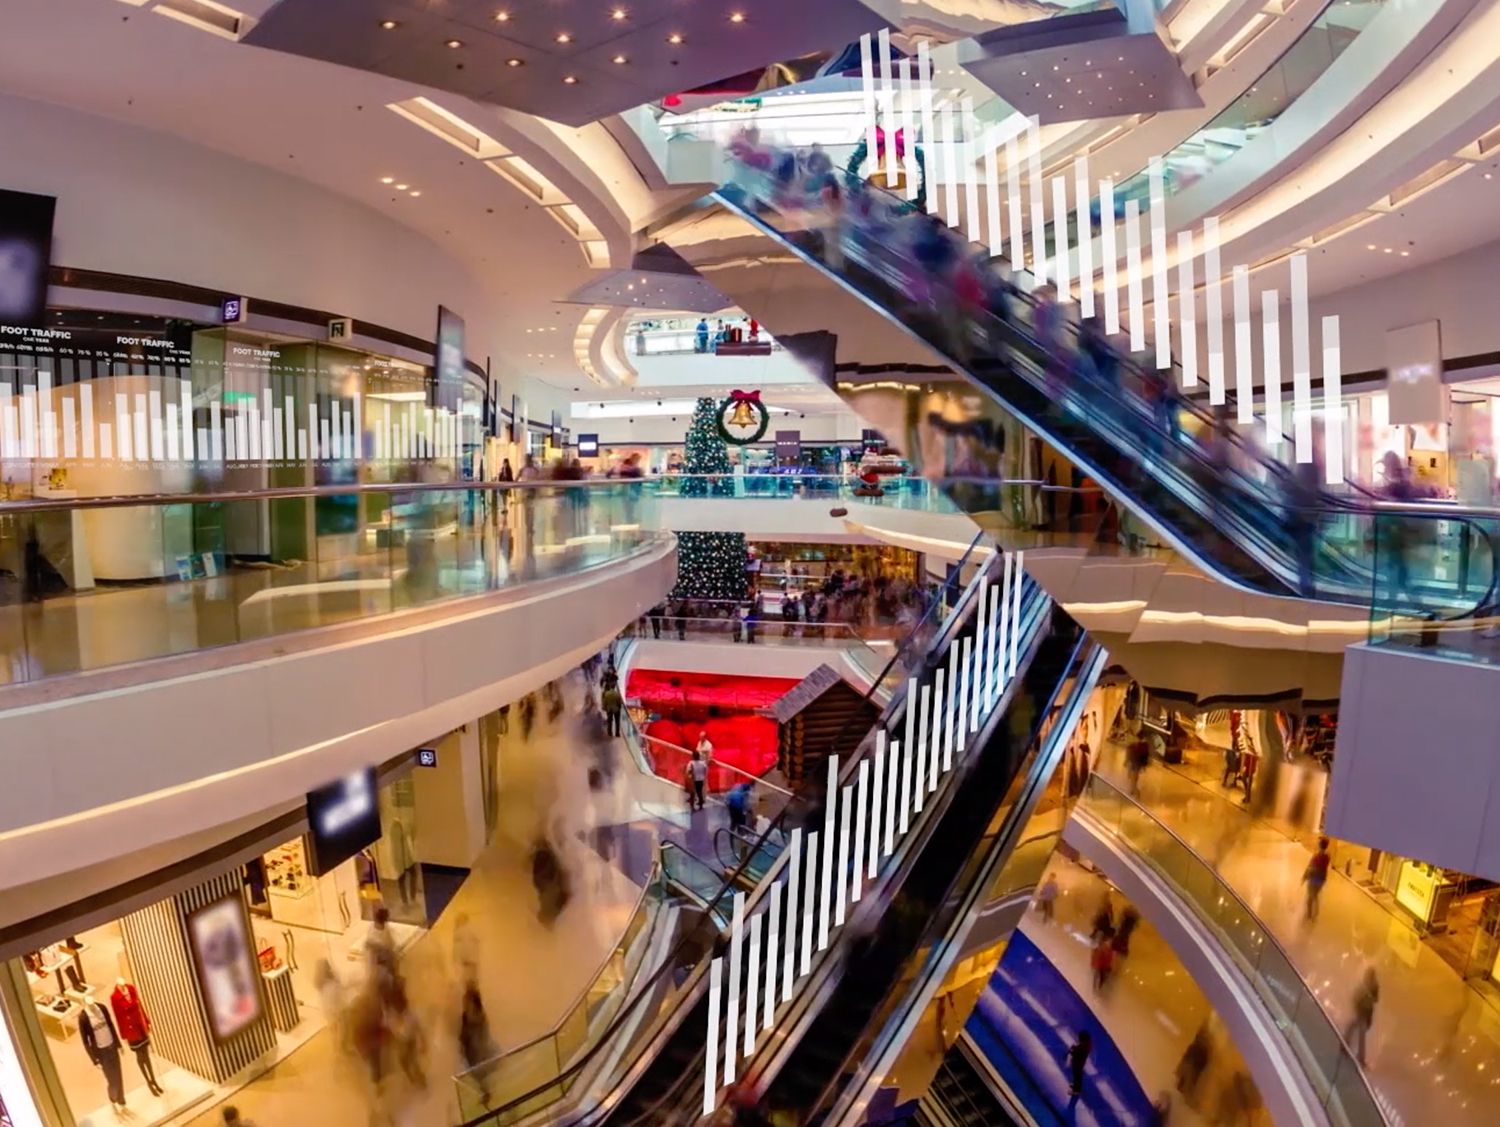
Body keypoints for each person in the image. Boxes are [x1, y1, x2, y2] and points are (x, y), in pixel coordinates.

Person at [458, 980, 497, 1099]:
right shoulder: (465, 1016)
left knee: (481, 1072)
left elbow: (484, 1031)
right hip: (470, 1049)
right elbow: (463, 1032)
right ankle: (484, 1091)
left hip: (478, 1049)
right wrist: (462, 1045)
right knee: (475, 1073)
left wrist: (481, 1043)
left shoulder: (480, 1016)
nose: (465, 1004)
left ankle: (486, 1092)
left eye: (468, 1002)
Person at [1345, 966, 1379, 1064]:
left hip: (1360, 1011)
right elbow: (1376, 1000)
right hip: (1364, 1012)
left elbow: (1356, 997)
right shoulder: (1373, 986)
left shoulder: (1364, 985)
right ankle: (1360, 1057)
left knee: (1352, 1027)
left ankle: (1345, 1045)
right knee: (1360, 1034)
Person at [1175, 1023, 1213, 1103]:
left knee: (1186, 1078)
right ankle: (1184, 1091)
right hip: (1192, 1064)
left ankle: (1183, 1089)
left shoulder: (1198, 1046)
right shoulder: (1202, 1047)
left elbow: (1190, 1054)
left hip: (1191, 1063)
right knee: (1188, 1080)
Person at [1303, 836, 1332, 920]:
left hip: (1314, 878)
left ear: (1320, 844)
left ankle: (1309, 916)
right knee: (1315, 896)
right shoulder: (1327, 856)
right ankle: (1315, 914)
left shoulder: (1317, 856)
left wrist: (1305, 876)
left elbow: (1311, 867)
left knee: (1310, 898)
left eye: (1318, 842)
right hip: (1322, 879)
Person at [1066, 1030, 1092, 1101]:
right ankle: (1075, 1086)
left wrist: (1072, 1049)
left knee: (1077, 1077)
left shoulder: (1081, 1047)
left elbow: (1074, 1052)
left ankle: (1076, 1090)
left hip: (1077, 1064)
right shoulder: (1087, 1046)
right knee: (1077, 1076)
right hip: (1080, 1064)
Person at [1126, 732, 1151, 797]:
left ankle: (1135, 791)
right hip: (1137, 763)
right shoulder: (1144, 745)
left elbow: (1130, 752)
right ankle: (1133, 790)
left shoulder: (1135, 745)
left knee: (1133, 777)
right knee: (1134, 776)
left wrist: (1127, 760)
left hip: (1134, 762)